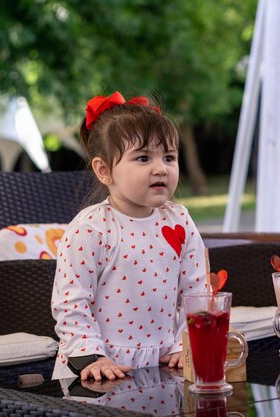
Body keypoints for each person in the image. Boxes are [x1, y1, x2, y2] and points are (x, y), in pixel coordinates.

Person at [51, 91, 207, 381]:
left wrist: (183, 345)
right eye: (144, 157)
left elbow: (196, 290)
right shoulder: (92, 228)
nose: (161, 168)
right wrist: (92, 357)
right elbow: (71, 302)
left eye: (169, 157)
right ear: (105, 170)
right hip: (99, 370)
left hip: (162, 364)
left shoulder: (180, 220)